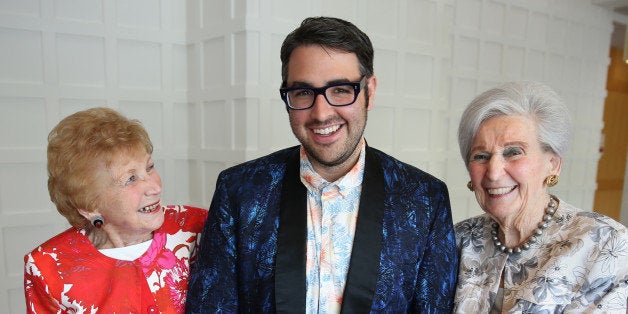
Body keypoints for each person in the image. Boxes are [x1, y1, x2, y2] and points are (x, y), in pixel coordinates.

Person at [185, 16, 457, 313]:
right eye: (303, 92)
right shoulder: (238, 191)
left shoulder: (425, 200)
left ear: (370, 92)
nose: (321, 113)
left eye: (341, 89)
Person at [453, 81, 628, 312]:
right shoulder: (458, 241)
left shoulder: (606, 244)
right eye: (481, 156)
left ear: (553, 164)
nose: (494, 173)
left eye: (514, 152)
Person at [23, 107, 208, 313]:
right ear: (89, 206)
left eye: (149, 167)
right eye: (130, 179)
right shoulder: (49, 267)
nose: (155, 187)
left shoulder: (196, 228)